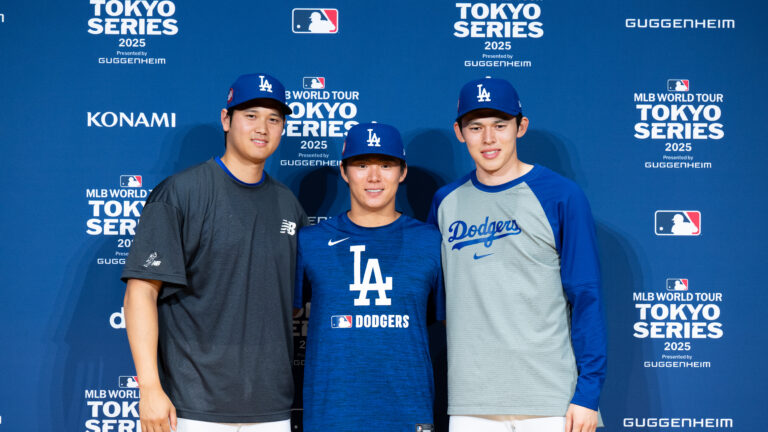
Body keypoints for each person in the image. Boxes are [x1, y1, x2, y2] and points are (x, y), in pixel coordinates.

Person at [121, 73, 307, 432]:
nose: (262, 128)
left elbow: (291, 304)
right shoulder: (181, 193)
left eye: (274, 119)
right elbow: (140, 292)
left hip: (271, 408)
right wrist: (149, 389)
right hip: (192, 406)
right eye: (250, 115)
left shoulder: (289, 206)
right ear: (226, 119)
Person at [428, 77, 607, 432]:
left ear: (520, 126)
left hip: (550, 400)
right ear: (459, 132)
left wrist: (588, 394)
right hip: (471, 402)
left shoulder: (562, 196)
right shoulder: (445, 203)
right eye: (475, 127)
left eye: (500, 125)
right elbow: (442, 305)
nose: (489, 138)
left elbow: (586, 298)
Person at [294, 122, 443, 432]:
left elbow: (441, 320)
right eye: (362, 165)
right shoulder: (310, 242)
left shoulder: (430, 241)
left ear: (402, 172)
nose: (374, 177)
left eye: (386, 165)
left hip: (407, 413)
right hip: (332, 416)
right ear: (344, 172)